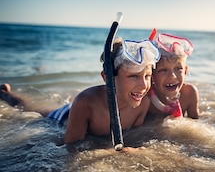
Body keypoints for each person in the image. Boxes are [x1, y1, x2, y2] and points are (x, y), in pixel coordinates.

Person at [0, 37, 161, 146]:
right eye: (133, 76)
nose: (143, 85)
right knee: (29, 110)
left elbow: (133, 135)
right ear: (108, 77)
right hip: (64, 116)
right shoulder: (86, 102)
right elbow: (71, 147)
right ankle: (7, 95)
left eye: (147, 76)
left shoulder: (143, 103)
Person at [148, 33, 199, 119]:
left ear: (185, 71)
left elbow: (196, 121)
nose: (172, 76)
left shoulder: (189, 94)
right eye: (163, 70)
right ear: (152, 74)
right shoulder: (147, 100)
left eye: (178, 68)